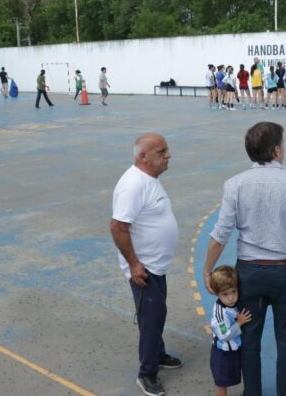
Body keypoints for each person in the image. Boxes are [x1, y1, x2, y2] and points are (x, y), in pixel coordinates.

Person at [203, 122, 286, 396]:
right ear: (277, 150)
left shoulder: (234, 184)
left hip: (250, 274)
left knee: (250, 337)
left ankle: (252, 392)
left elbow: (221, 233)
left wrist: (207, 270)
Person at [110, 133, 184, 396]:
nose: (168, 156)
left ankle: (157, 353)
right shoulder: (133, 185)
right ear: (142, 156)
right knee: (152, 318)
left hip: (156, 265)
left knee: (156, 314)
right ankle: (147, 373)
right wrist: (133, 265)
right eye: (161, 151)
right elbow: (118, 227)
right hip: (144, 269)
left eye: (167, 150)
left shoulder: (150, 179)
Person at [209, 266, 253, 396]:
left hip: (235, 349)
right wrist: (239, 323)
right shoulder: (220, 314)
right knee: (221, 382)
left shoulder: (235, 303)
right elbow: (224, 334)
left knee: (234, 376)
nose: (231, 298)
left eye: (234, 291)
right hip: (223, 353)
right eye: (225, 294)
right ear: (217, 294)